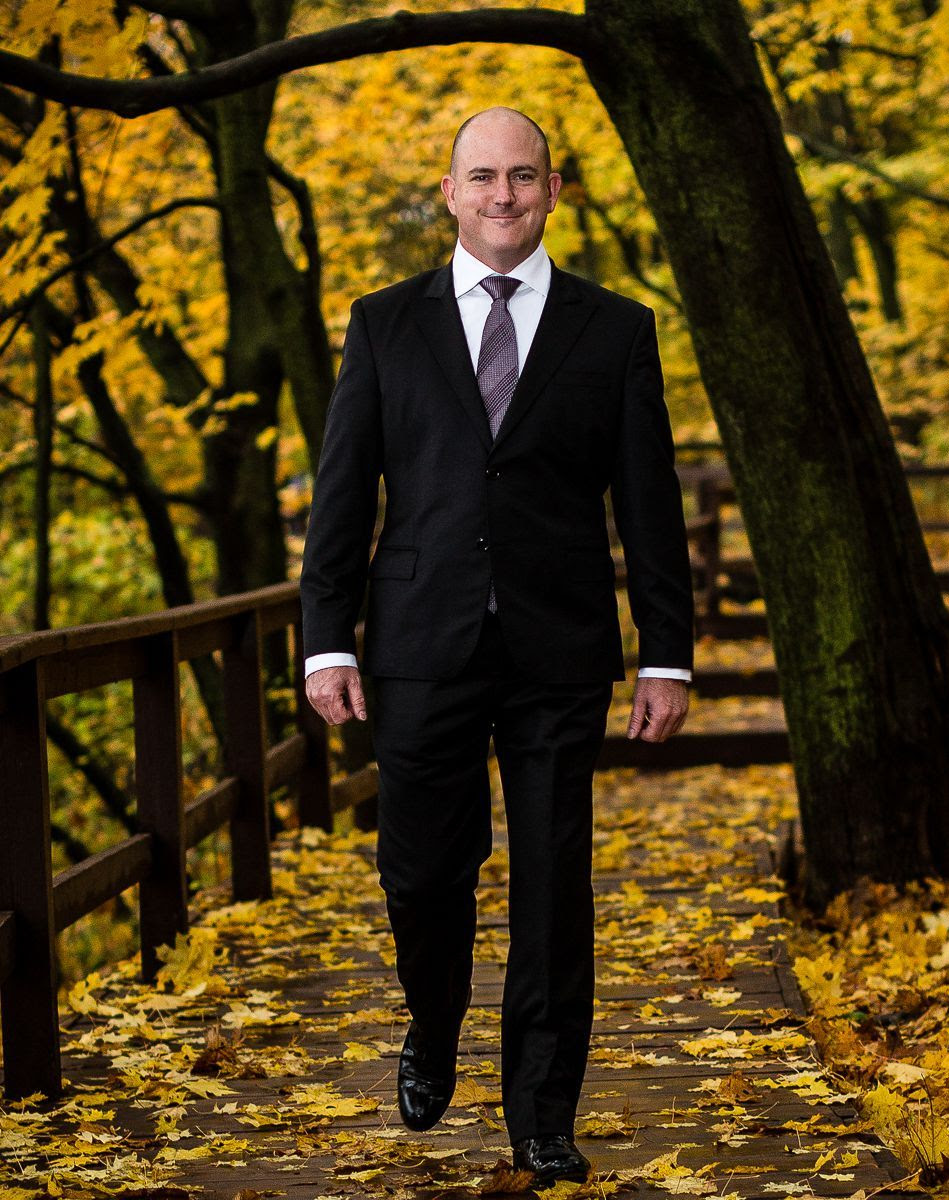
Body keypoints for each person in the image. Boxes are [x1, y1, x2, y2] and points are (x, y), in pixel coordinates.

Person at [300, 107, 693, 1187]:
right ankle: (433, 1022)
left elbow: (648, 505)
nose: (503, 195)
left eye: (523, 176)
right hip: (418, 643)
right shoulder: (384, 326)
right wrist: (324, 641)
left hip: (559, 646)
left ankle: (541, 1113)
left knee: (552, 884)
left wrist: (667, 652)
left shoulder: (614, 330)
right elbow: (342, 499)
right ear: (450, 191)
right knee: (424, 873)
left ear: (553, 190)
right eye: (483, 176)